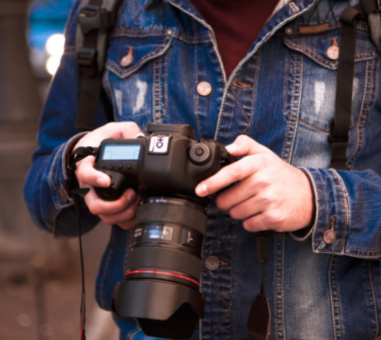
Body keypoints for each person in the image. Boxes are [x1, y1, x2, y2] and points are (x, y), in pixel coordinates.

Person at [24, 0, 381, 338]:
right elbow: (43, 199)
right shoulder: (106, 8)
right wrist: (77, 167)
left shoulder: (368, 12)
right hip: (146, 329)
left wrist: (316, 199)